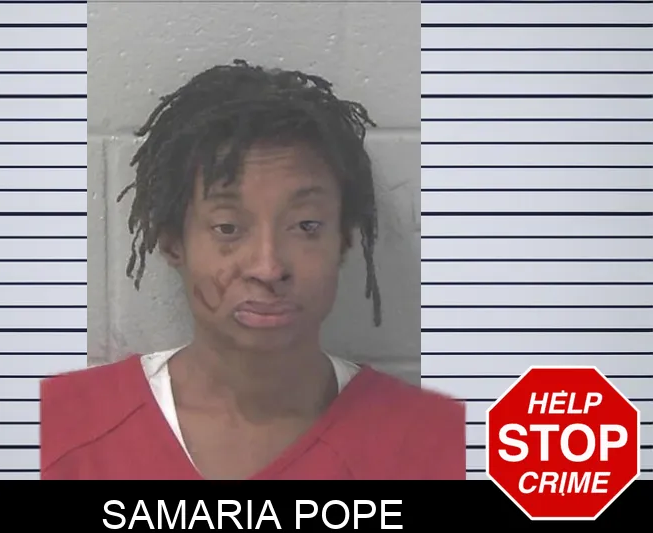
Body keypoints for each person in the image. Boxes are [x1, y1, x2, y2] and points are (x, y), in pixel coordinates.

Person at [40, 59, 465, 480]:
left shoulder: (438, 445)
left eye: (306, 225)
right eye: (228, 227)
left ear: (343, 240)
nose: (268, 267)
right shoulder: (57, 430)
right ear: (172, 242)